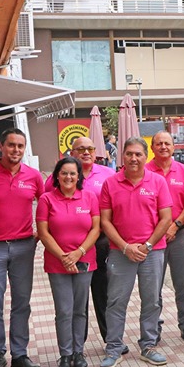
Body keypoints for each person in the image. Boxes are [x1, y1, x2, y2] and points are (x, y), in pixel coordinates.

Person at [98, 137, 173, 367]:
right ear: (122, 156)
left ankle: (149, 345)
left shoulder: (158, 182)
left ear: (145, 156)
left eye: (138, 154)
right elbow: (105, 221)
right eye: (129, 154)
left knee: (151, 300)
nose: (133, 158)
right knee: (116, 301)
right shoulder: (111, 184)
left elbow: (166, 218)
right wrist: (125, 247)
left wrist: (147, 246)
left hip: (152, 252)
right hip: (121, 252)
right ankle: (113, 348)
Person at [0, 128, 45, 367]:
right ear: (1, 146)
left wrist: (41, 232)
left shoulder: (33, 176)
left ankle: (20, 354)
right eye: (11, 145)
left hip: (23, 246)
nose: (16, 150)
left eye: (20, 146)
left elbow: (46, 205)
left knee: (21, 302)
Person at [47, 136, 115, 345]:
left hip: (100, 241)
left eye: (90, 149)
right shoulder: (58, 176)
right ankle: (78, 343)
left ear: (96, 152)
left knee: (103, 292)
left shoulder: (108, 174)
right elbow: (48, 207)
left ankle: (110, 338)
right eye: (81, 149)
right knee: (78, 299)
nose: (86, 152)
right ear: (72, 152)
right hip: (68, 247)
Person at [36, 157, 100, 367]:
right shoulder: (47, 200)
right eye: (64, 173)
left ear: (79, 176)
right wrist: (64, 257)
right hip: (57, 262)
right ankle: (65, 354)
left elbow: (96, 229)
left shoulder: (90, 197)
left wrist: (78, 252)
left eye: (73, 173)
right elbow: (43, 232)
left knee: (79, 309)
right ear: (57, 176)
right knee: (64, 311)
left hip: (84, 260)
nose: (69, 177)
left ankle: (78, 353)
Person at [147, 131, 184, 344]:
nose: (163, 147)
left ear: (173, 147)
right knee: (153, 286)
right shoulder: (145, 170)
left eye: (167, 143)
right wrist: (159, 232)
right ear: (152, 148)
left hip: (179, 234)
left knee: (182, 285)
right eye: (158, 143)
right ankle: (154, 327)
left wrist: (175, 226)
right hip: (153, 237)